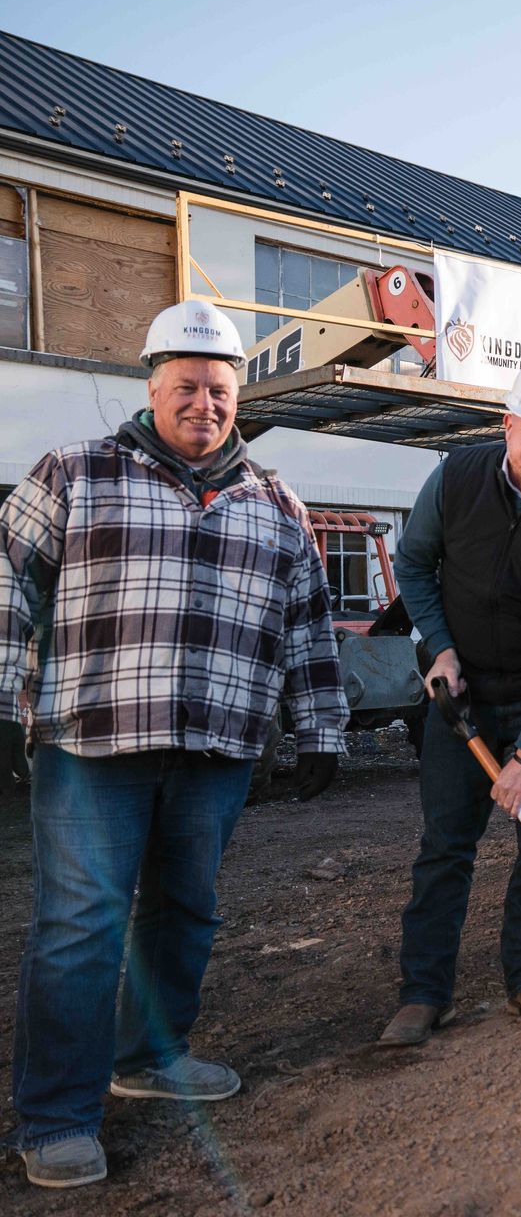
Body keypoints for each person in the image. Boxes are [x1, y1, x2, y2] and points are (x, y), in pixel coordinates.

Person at [1, 301, 347, 1188]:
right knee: (80, 926)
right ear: (152, 387)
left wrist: (320, 731)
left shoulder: (275, 504)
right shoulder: (74, 472)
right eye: (187, 386)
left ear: (240, 398)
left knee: (185, 911)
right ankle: (57, 1118)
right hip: (93, 743)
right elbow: (8, 588)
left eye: (220, 390)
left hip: (217, 747)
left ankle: (151, 1058)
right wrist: (4, 703)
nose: (205, 403)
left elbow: (307, 627)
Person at [380, 354, 521, 1047]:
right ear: (508, 423)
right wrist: (440, 646)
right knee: (445, 844)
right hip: (463, 694)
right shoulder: (456, 478)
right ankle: (424, 993)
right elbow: (415, 564)